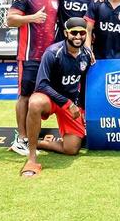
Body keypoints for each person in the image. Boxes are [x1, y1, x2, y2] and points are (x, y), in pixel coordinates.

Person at [20, 17, 92, 177]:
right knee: (35, 103)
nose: (78, 37)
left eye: (82, 33)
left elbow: (86, 83)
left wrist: (82, 108)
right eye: (74, 33)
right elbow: (41, 85)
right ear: (66, 33)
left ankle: (36, 142)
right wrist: (67, 103)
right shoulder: (53, 52)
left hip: (71, 102)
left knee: (71, 149)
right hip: (51, 99)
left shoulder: (86, 54)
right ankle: (31, 157)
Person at [6, 0, 59, 156]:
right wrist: (32, 18)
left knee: (42, 97)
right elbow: (10, 19)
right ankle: (21, 138)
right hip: (29, 55)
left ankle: (33, 135)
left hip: (49, 57)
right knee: (25, 96)